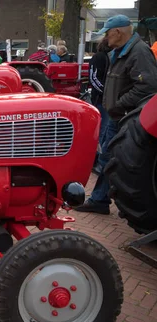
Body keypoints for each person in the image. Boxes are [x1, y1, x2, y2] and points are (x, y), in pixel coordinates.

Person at [75, 15, 157, 215]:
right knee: (108, 159)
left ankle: (103, 199)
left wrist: (119, 104)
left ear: (118, 32)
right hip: (116, 116)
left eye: (108, 33)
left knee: (112, 159)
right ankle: (103, 199)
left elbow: (148, 85)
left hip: (124, 118)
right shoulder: (121, 52)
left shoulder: (138, 53)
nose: (105, 38)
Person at [88, 36, 111, 174]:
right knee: (101, 131)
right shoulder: (99, 58)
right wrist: (105, 93)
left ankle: (99, 159)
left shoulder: (111, 57)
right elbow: (94, 78)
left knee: (105, 131)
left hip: (107, 100)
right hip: (101, 100)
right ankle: (96, 160)